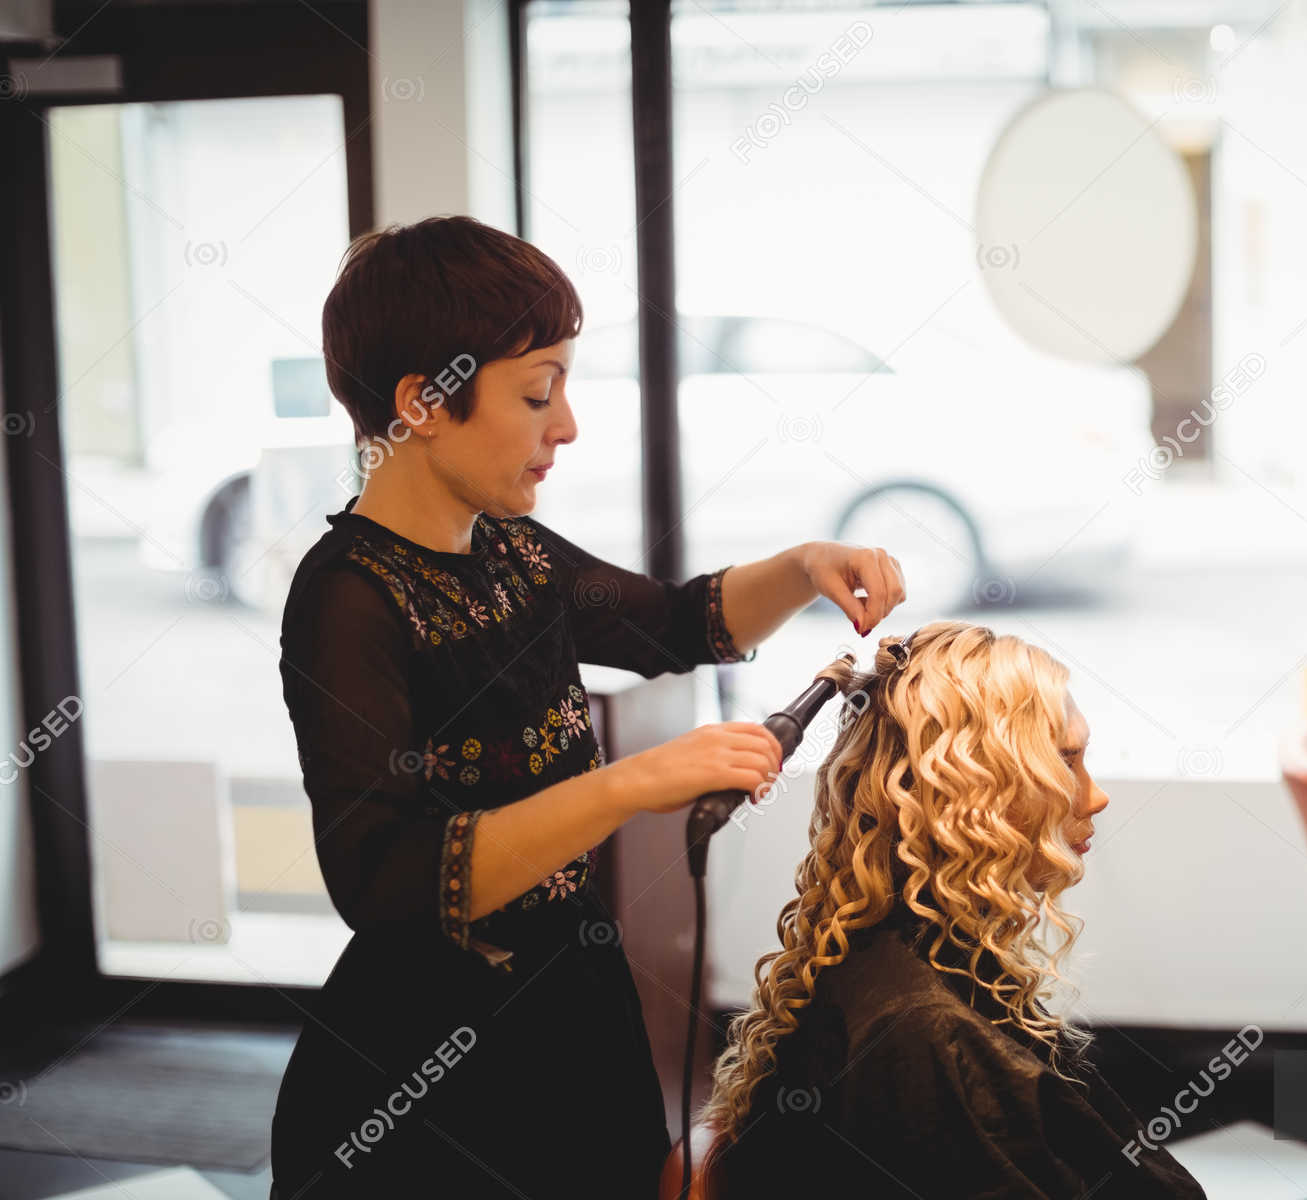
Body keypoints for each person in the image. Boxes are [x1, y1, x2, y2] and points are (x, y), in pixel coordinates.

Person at [268, 215, 906, 1198]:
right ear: (424, 402)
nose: (565, 426)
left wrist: (801, 568)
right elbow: (385, 878)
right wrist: (631, 784)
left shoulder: (516, 556)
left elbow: (672, 626)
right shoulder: (349, 598)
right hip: (427, 1061)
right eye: (536, 393)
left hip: (567, 1002)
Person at [699, 622, 1208, 1199]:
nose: (1095, 797)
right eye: (1064, 762)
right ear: (969, 796)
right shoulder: (922, 1034)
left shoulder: (925, 962)